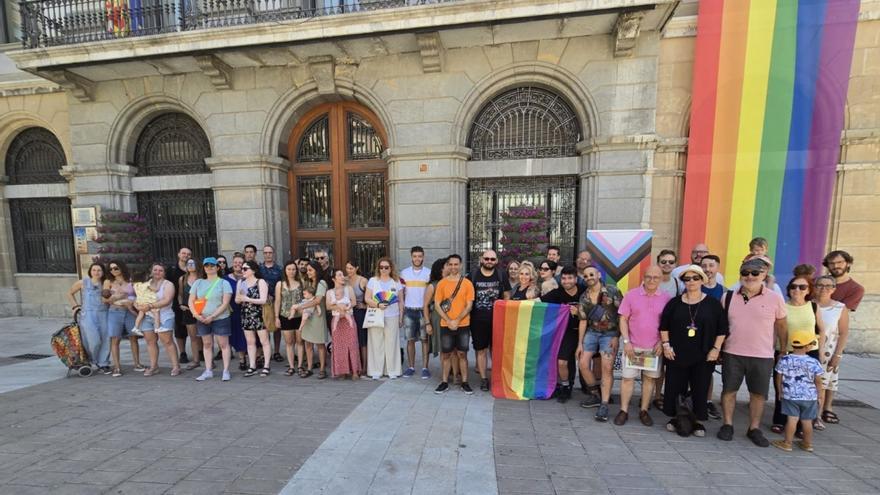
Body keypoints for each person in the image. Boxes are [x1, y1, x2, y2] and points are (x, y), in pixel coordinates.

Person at [717, 257, 787, 447]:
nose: (749, 276)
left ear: (764, 275)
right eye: (745, 273)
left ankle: (754, 428)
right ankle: (727, 424)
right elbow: (722, 325)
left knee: (758, 394)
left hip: (762, 355)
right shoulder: (728, 297)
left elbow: (782, 325)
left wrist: (783, 350)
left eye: (755, 273)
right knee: (729, 390)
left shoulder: (774, 298)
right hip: (733, 352)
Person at [659, 265, 727, 436]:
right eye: (687, 279)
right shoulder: (674, 303)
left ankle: (697, 421)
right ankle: (678, 418)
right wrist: (666, 345)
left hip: (703, 354)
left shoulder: (713, 304)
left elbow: (722, 329)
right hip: (677, 353)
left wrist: (716, 349)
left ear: (702, 280)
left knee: (700, 387)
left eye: (695, 278)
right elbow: (664, 326)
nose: (691, 282)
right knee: (675, 387)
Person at [614, 266, 671, 426]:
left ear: (661, 279)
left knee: (649, 380)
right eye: (648, 277)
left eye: (655, 277)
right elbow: (623, 319)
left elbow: (669, 324)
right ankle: (623, 410)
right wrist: (626, 342)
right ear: (643, 277)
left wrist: (662, 342)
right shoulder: (631, 295)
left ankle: (644, 410)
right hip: (633, 347)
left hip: (653, 349)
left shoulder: (666, 298)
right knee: (627, 379)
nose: (652, 280)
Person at [772, 276, 825, 433]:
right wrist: (777, 350)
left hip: (810, 352)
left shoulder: (813, 306)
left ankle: (803, 424)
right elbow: (776, 329)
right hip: (786, 351)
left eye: (802, 287)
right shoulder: (782, 306)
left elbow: (821, 330)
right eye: (793, 286)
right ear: (788, 289)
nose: (797, 290)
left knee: (807, 388)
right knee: (782, 386)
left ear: (809, 290)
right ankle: (780, 420)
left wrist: (821, 352)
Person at [576, 266, 623, 421]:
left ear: (598, 275)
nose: (589, 277)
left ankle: (604, 404)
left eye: (591, 274)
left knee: (607, 368)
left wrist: (617, 336)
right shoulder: (584, 297)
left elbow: (622, 314)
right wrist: (579, 344)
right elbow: (583, 321)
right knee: (583, 363)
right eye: (586, 276)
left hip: (610, 333)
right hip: (592, 332)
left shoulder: (612, 290)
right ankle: (596, 395)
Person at [771, 330, 825, 453]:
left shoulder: (784, 360)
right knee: (807, 421)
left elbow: (778, 377)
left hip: (790, 395)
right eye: (812, 343)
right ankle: (807, 444)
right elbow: (818, 380)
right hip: (809, 396)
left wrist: (780, 391)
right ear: (807, 347)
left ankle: (787, 443)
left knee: (792, 419)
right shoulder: (813, 361)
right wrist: (819, 395)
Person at [541, 265, 584, 403]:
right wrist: (511, 305)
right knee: (562, 361)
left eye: (570, 278)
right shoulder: (557, 293)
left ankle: (592, 388)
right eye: (564, 278)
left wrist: (579, 312)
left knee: (587, 362)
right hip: (566, 332)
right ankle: (565, 386)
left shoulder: (584, 291)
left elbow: (594, 308)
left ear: (576, 279)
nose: (566, 281)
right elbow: (539, 302)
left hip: (586, 332)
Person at [433, 254, 476, 394]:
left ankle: (465, 382)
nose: (453, 267)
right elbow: (437, 305)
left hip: (463, 324)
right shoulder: (442, 283)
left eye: (456, 264)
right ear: (447, 266)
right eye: (450, 264)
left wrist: (456, 320)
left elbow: (469, 306)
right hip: (446, 324)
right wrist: (448, 320)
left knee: (462, 354)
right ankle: (444, 382)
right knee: (446, 354)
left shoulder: (467, 283)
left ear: (461, 265)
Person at [468, 249, 509, 391]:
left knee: (496, 350)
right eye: (486, 259)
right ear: (481, 259)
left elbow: (507, 296)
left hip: (497, 320)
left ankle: (496, 378)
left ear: (496, 261)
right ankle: (484, 379)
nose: (489, 261)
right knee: (481, 350)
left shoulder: (501, 275)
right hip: (478, 320)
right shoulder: (473, 275)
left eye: (492, 259)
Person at [190, 257, 234, 381]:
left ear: (217, 267)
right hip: (202, 318)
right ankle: (208, 370)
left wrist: (213, 316)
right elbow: (191, 301)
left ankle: (226, 370)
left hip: (220, 317)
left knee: (223, 344)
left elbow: (225, 303)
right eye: (207, 265)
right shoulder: (198, 283)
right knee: (207, 344)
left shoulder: (223, 283)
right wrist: (196, 315)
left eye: (212, 265)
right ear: (204, 268)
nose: (209, 267)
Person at [814, 275, 849, 426]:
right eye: (820, 285)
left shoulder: (839, 308)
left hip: (828, 351)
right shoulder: (808, 304)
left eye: (828, 286)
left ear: (834, 289)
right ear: (815, 287)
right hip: (808, 349)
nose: (824, 289)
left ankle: (817, 416)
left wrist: (838, 354)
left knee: (821, 385)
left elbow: (844, 332)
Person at [136, 263, 181, 377]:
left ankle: (176, 366)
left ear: (164, 273)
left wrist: (150, 306)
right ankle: (154, 367)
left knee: (167, 341)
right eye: (155, 270)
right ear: (151, 271)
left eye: (160, 270)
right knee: (150, 342)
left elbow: (167, 300)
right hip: (148, 316)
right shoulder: (146, 283)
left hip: (164, 316)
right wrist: (138, 305)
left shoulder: (168, 284)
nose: (157, 272)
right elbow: (139, 296)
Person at [365, 257, 404, 380]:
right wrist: (378, 304)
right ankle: (376, 370)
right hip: (376, 315)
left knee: (392, 343)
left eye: (386, 267)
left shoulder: (396, 282)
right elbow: (367, 298)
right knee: (376, 343)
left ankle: (392, 370)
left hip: (392, 315)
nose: (383, 269)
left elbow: (401, 301)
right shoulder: (372, 281)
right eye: (381, 267)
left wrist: (401, 317)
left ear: (391, 268)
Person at [68, 263, 110, 374]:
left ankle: (103, 363)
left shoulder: (105, 283)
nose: (96, 272)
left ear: (103, 272)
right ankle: (90, 360)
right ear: (90, 271)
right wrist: (75, 306)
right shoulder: (83, 282)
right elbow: (70, 293)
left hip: (104, 314)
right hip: (88, 315)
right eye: (94, 270)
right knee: (93, 340)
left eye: (99, 270)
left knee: (105, 339)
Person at [104, 261, 143, 376]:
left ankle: (137, 364)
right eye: (111, 269)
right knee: (115, 339)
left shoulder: (130, 280)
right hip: (115, 312)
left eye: (116, 268)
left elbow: (139, 294)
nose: (113, 271)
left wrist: (131, 300)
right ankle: (117, 367)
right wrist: (118, 297)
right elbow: (104, 299)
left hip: (129, 311)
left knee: (133, 337)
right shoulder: (108, 282)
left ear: (121, 267)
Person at [401, 246, 432, 379]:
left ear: (423, 257)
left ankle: (425, 368)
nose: (417, 259)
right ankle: (411, 367)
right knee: (410, 340)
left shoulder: (429, 273)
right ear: (411, 257)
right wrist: (401, 312)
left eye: (419, 256)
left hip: (423, 311)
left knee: (425, 340)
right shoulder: (404, 273)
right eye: (415, 256)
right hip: (409, 310)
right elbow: (401, 293)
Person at [238, 260, 270, 377]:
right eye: (242, 268)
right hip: (246, 314)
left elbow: (263, 300)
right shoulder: (241, 282)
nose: (243, 271)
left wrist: (247, 299)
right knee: (250, 342)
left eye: (245, 269)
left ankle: (266, 365)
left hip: (259, 314)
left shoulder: (260, 282)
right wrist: (240, 298)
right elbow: (237, 299)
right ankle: (252, 366)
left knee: (264, 341)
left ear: (253, 270)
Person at [327, 268, 361, 379]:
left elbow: (354, 302)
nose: (342, 277)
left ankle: (354, 371)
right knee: (339, 347)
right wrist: (338, 307)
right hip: (337, 321)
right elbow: (328, 306)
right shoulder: (330, 292)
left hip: (348, 319)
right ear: (334, 279)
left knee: (352, 345)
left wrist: (345, 307)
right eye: (339, 275)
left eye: (342, 275)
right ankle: (342, 371)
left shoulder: (348, 289)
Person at [298, 261, 330, 378]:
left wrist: (301, 306)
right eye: (307, 270)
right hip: (308, 316)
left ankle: (322, 369)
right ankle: (310, 367)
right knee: (308, 343)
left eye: (310, 270)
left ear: (317, 270)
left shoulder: (321, 283)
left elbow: (317, 300)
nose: (308, 272)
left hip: (318, 317)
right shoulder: (309, 282)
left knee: (320, 344)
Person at [424, 257, 452, 382]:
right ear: (441, 268)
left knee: (453, 347)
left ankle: (453, 371)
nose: (450, 267)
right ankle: (445, 374)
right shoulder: (433, 286)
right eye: (447, 265)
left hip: (452, 319)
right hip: (437, 320)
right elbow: (425, 306)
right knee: (443, 348)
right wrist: (427, 323)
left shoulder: (452, 282)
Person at [275, 260, 304, 377]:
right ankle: (291, 366)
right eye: (289, 269)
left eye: (293, 269)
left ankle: (300, 365)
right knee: (289, 342)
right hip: (285, 316)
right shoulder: (280, 284)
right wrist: (276, 317)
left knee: (300, 342)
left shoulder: (301, 283)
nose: (291, 271)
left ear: (296, 270)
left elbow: (305, 299)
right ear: (285, 270)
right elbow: (278, 301)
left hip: (299, 316)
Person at [166, 247, 192, 364]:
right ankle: (182, 353)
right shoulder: (171, 270)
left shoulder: (193, 268)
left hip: (194, 303)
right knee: (180, 329)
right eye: (183, 253)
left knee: (196, 329)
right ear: (178, 254)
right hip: (177, 303)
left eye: (188, 254)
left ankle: (200, 351)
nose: (186, 255)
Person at [178, 258, 205, 371]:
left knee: (205, 336)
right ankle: (196, 360)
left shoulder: (203, 278)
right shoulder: (182, 279)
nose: (190, 265)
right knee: (193, 337)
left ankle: (209, 360)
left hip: (202, 310)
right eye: (188, 263)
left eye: (192, 263)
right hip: (188, 310)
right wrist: (180, 304)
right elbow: (180, 294)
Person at [260, 244, 284, 364]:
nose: (268, 255)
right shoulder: (259, 269)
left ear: (273, 254)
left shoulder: (280, 269)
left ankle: (277, 351)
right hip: (262, 302)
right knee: (264, 327)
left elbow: (283, 285)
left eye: (270, 252)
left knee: (276, 327)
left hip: (276, 301)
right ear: (263, 254)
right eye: (265, 253)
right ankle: (266, 352)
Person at [345, 261, 369, 376]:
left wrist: (365, 306)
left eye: (351, 268)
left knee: (362, 339)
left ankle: (364, 367)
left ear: (356, 268)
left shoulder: (363, 280)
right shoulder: (344, 280)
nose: (348, 270)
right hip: (348, 312)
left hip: (360, 312)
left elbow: (371, 296)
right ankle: (353, 366)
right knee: (351, 340)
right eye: (347, 268)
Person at [225, 254, 248, 371]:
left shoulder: (248, 277)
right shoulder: (225, 279)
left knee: (249, 334)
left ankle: (255, 357)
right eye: (235, 262)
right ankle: (242, 359)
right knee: (238, 334)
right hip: (233, 311)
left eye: (240, 262)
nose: (237, 264)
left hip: (248, 310)